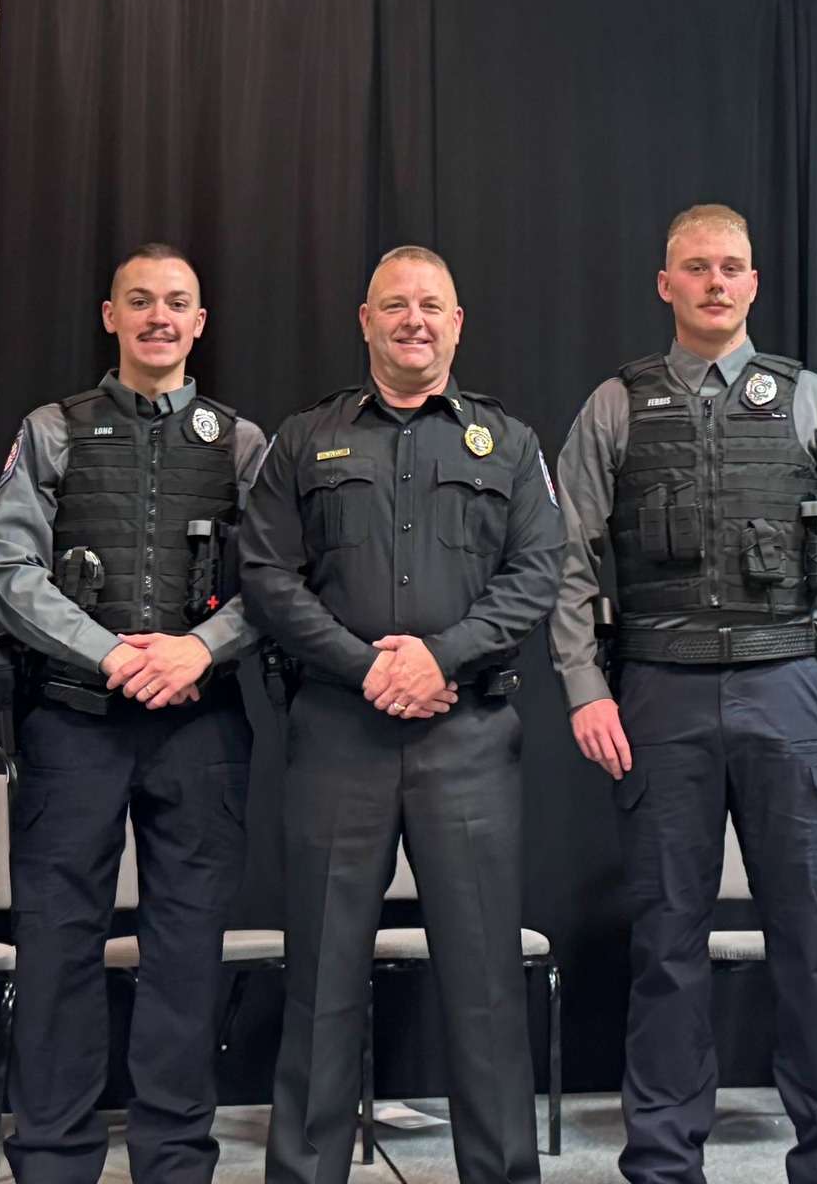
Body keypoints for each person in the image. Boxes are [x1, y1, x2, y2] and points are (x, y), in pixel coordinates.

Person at [550, 202, 817, 1184]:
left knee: (810, 941)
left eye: (730, 266)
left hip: (787, 688)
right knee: (665, 944)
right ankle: (662, 1161)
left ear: (752, 282)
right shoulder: (615, 406)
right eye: (694, 267)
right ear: (665, 284)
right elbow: (566, 560)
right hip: (655, 691)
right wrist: (584, 686)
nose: (713, 281)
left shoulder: (809, 402)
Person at [240, 245, 561, 1184]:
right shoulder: (306, 439)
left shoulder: (510, 444)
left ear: (457, 324)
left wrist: (440, 658)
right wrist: (364, 667)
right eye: (395, 306)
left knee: (486, 986)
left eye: (432, 306)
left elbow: (537, 573)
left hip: (467, 735)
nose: (413, 320)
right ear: (365, 321)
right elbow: (265, 575)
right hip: (339, 734)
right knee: (321, 985)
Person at [0, 242, 267, 1184]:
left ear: (200, 322)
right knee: (58, 946)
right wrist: (110, 654)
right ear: (110, 316)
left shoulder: (241, 443)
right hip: (72, 721)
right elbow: (5, 568)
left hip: (202, 722)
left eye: (176, 302)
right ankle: (54, 1160)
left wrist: (198, 650)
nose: (157, 317)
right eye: (138, 301)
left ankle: (174, 1161)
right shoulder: (53, 430)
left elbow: (281, 582)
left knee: (186, 953)